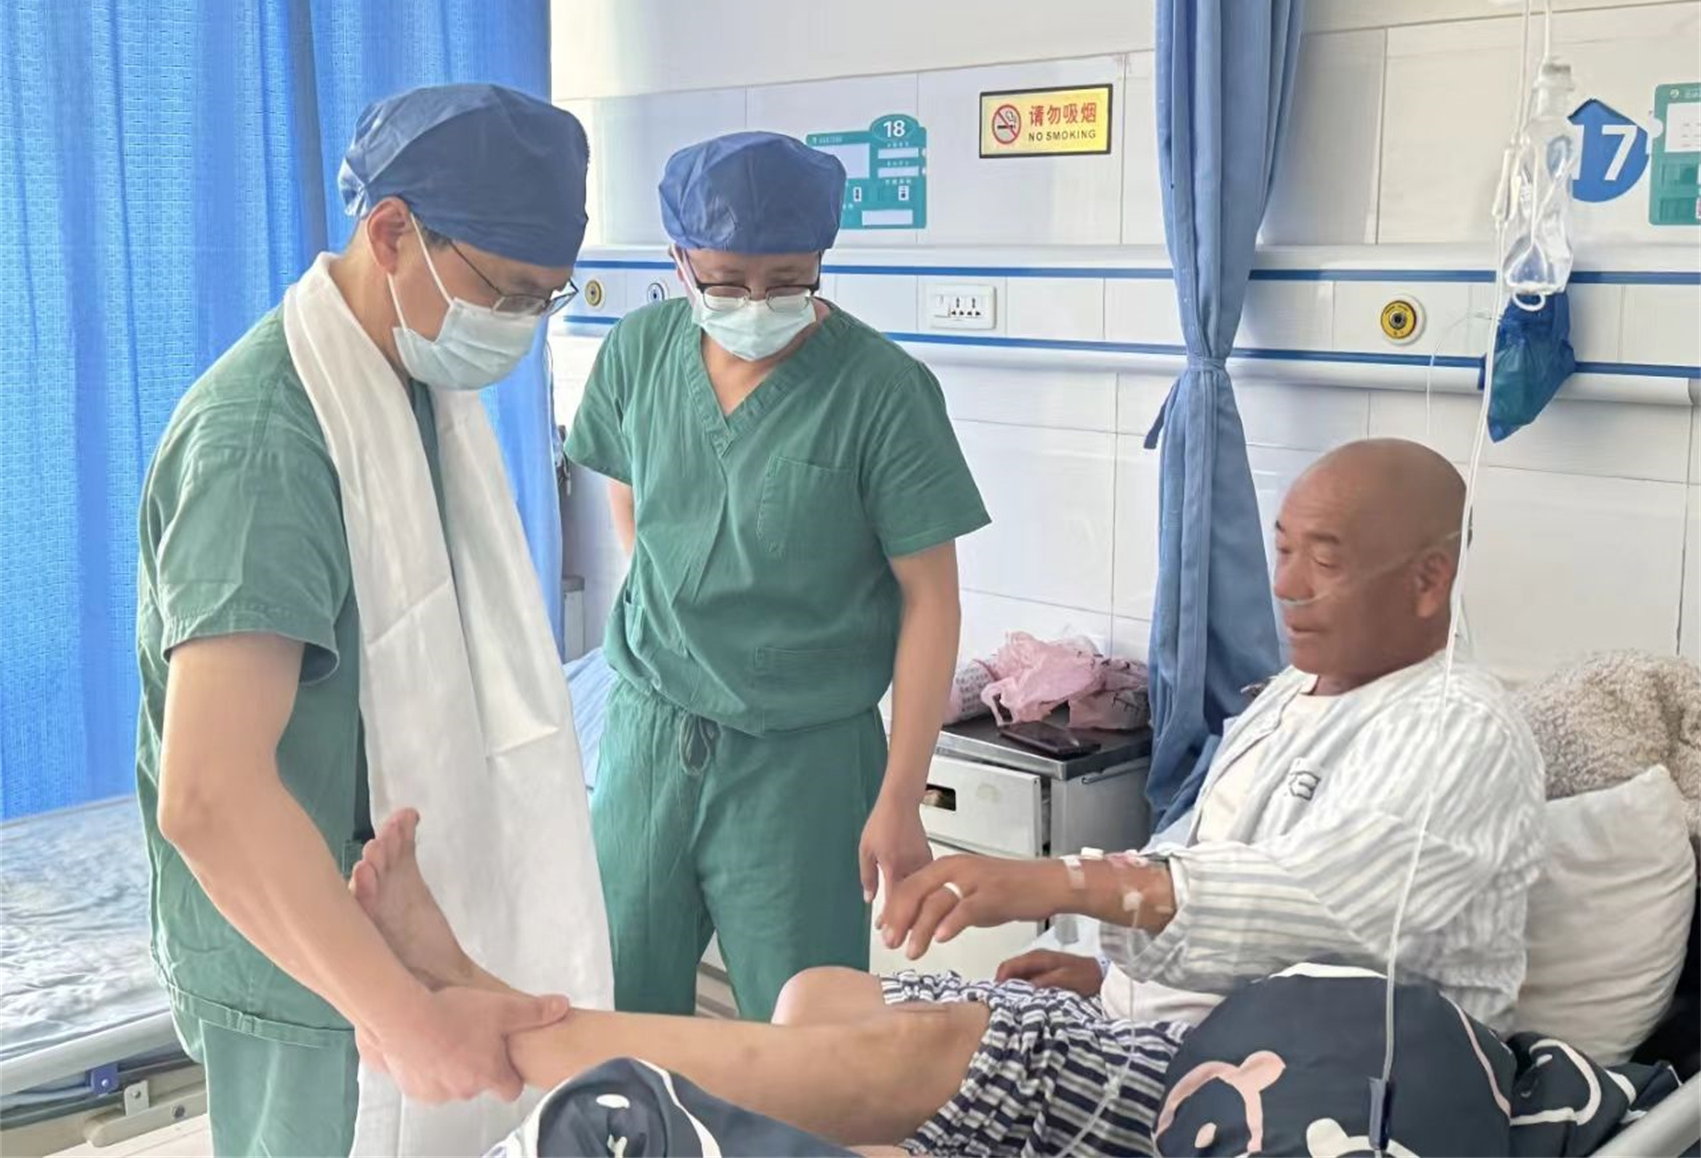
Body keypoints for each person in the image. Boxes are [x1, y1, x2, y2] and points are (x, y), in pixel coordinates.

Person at [351, 438, 1548, 1156]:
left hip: (1275, 1061)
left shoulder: (1459, 727)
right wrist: (1103, 967)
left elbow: (1327, 903)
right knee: (817, 993)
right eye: (1280, 546)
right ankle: (522, 1013)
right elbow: (1204, 860)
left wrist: (1067, 882)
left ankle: (505, 1026)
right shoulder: (1293, 699)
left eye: (1323, 559)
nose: (1285, 584)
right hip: (1151, 1018)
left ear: (1429, 579)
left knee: (920, 1046)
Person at [135, 83, 610, 1158]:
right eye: (505, 292)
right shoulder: (265, 445)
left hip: (402, 935)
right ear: (392, 232)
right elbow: (208, 795)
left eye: (546, 300)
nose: (518, 327)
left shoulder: (414, 391)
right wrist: (398, 1014)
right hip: (308, 972)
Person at [565, 131, 989, 1020]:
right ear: (679, 261)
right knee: (616, 1014)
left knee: (807, 1035)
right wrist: (682, 627)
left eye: (788, 279)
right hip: (649, 736)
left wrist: (900, 795)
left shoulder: (880, 390)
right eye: (726, 282)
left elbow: (931, 601)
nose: (756, 303)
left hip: (803, 760)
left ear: (821, 261)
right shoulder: (640, 351)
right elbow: (634, 507)